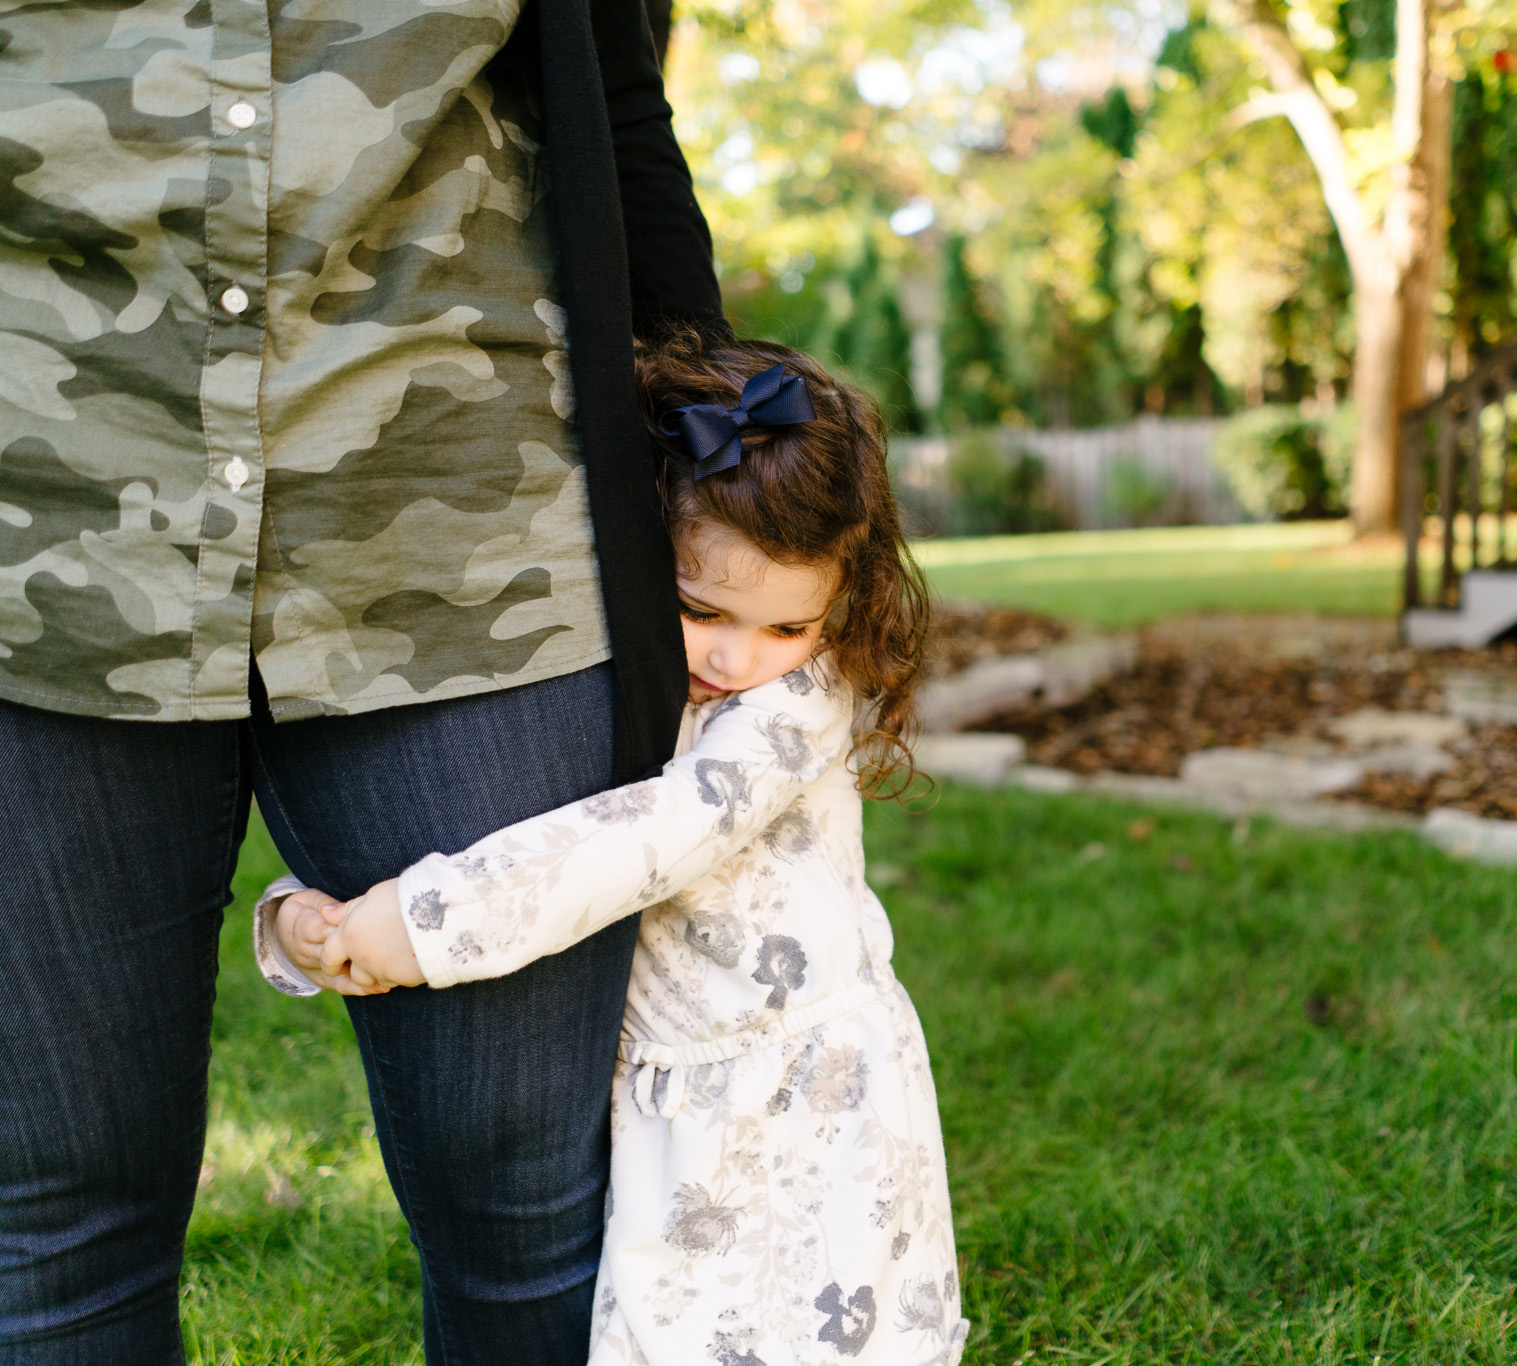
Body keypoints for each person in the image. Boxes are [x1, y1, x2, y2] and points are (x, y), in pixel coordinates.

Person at [0, 0, 721, 1359]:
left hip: (474, 536)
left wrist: (731, 480)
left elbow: (617, 96)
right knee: (54, 1230)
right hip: (36, 534)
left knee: (530, 1219)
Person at [263, 332, 970, 1365]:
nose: (739, 658)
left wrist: (426, 924)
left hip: (804, 1098)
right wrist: (312, 920)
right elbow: (509, 821)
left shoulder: (793, 708)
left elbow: (646, 836)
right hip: (670, 1106)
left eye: (788, 625)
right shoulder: (608, 678)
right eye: (701, 610)